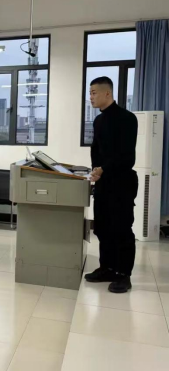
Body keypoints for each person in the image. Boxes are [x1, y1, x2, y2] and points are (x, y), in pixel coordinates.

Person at [84, 76, 138, 294]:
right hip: (103, 183)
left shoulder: (127, 118)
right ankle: (106, 268)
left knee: (121, 229)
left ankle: (123, 275)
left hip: (122, 182)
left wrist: (104, 169)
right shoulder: (98, 120)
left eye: (94, 93)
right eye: (90, 93)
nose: (91, 97)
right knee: (103, 228)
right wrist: (95, 170)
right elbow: (96, 150)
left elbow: (126, 156)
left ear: (107, 93)